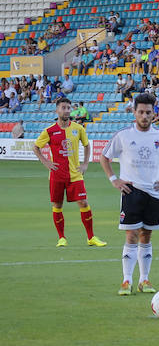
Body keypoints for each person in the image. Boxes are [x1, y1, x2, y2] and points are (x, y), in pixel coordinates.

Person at [101, 92, 159, 296]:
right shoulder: (124, 135)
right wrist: (114, 179)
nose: (144, 116)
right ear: (134, 113)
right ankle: (126, 280)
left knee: (146, 236)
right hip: (131, 191)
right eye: (141, 112)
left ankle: (144, 280)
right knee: (132, 234)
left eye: (148, 112)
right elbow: (105, 157)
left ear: (154, 114)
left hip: (154, 193)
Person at [32, 97, 107, 248]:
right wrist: (45, 162)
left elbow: (87, 146)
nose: (66, 110)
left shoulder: (78, 129)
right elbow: (36, 147)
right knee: (57, 205)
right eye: (63, 108)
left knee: (83, 202)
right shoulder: (49, 131)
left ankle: (91, 237)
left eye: (68, 108)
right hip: (57, 175)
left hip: (75, 174)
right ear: (57, 110)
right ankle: (61, 238)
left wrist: (85, 163)